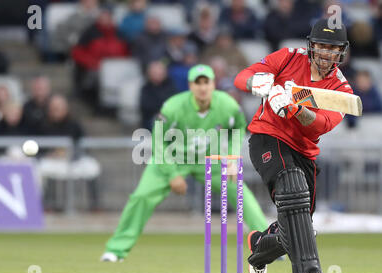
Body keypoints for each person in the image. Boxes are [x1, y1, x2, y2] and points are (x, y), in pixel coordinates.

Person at [101, 64, 269, 262]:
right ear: (190, 86)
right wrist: (172, 174)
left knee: (239, 193)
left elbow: (238, 128)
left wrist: (232, 158)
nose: (202, 87)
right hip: (173, 159)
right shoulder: (173, 106)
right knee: (141, 197)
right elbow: (158, 140)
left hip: (210, 159)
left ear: (213, 83)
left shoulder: (228, 105)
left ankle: (267, 244)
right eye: (197, 83)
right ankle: (116, 250)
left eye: (206, 82)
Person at [234, 18, 353, 273]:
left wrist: (294, 108)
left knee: (298, 228)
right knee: (292, 184)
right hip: (268, 137)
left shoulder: (341, 89)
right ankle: (308, 271)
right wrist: (258, 83)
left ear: (341, 51)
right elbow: (241, 77)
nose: (326, 53)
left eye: (332, 48)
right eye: (321, 45)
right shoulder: (287, 58)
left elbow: (320, 126)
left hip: (304, 152)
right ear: (311, 46)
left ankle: (259, 248)